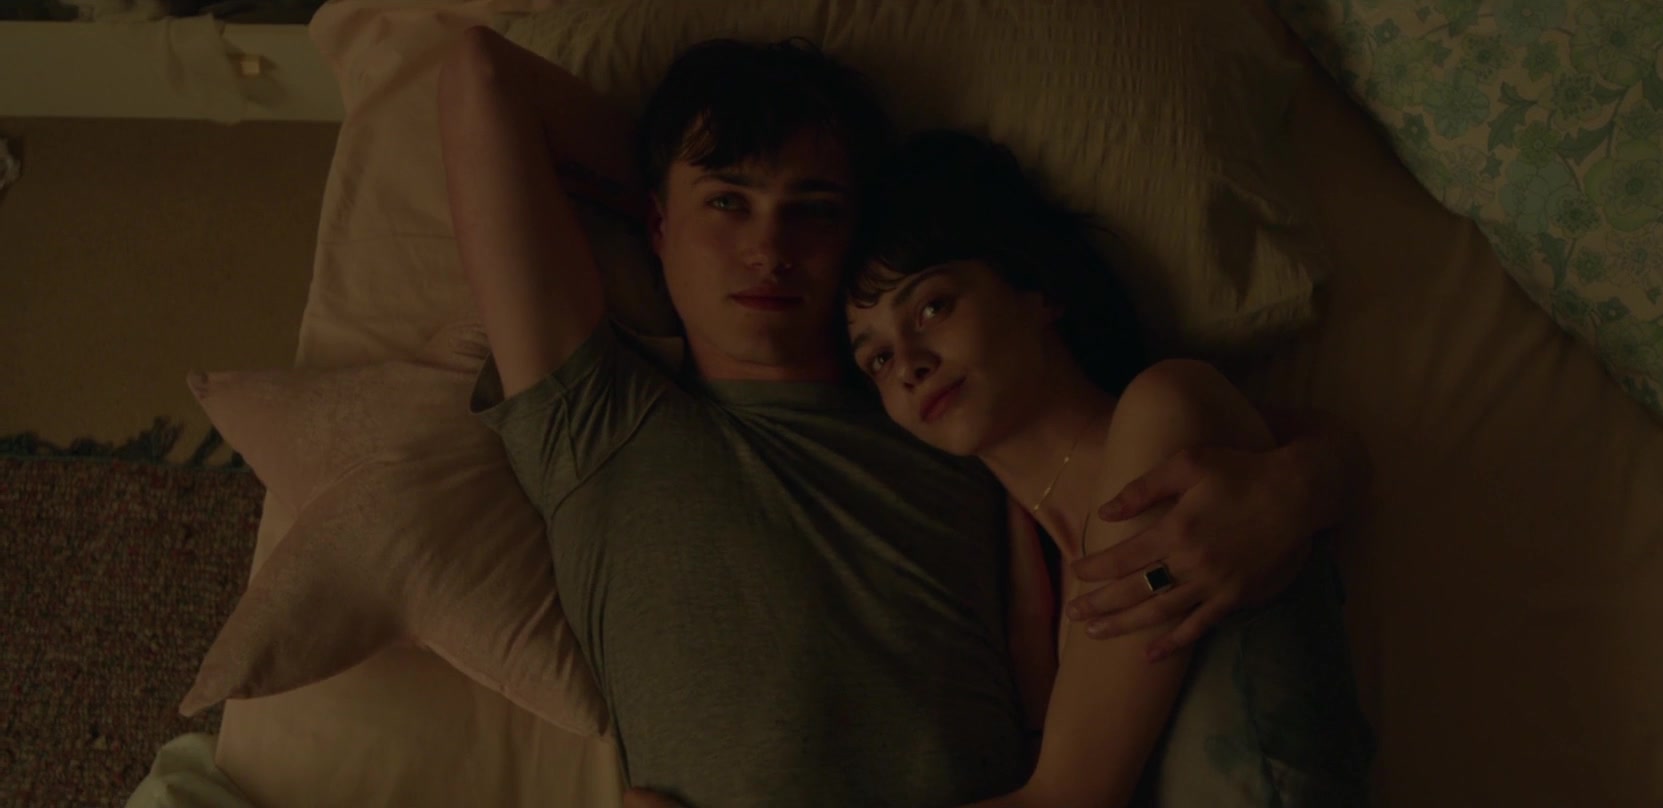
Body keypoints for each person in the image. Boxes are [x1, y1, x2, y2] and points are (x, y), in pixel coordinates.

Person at [439, 26, 1368, 807]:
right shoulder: (598, 425)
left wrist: (1294, 490)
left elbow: (1265, 437)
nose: (768, 247)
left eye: (813, 209)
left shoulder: (950, 411)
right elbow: (480, 74)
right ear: (656, 225)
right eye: (728, 204)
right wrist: (689, 159)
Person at [834, 130, 1374, 807]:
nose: (910, 364)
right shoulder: (1007, 559)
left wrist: (1310, 479)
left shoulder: (1166, 410)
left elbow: (1066, 798)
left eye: (933, 306)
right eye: (878, 358)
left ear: (1038, 291)